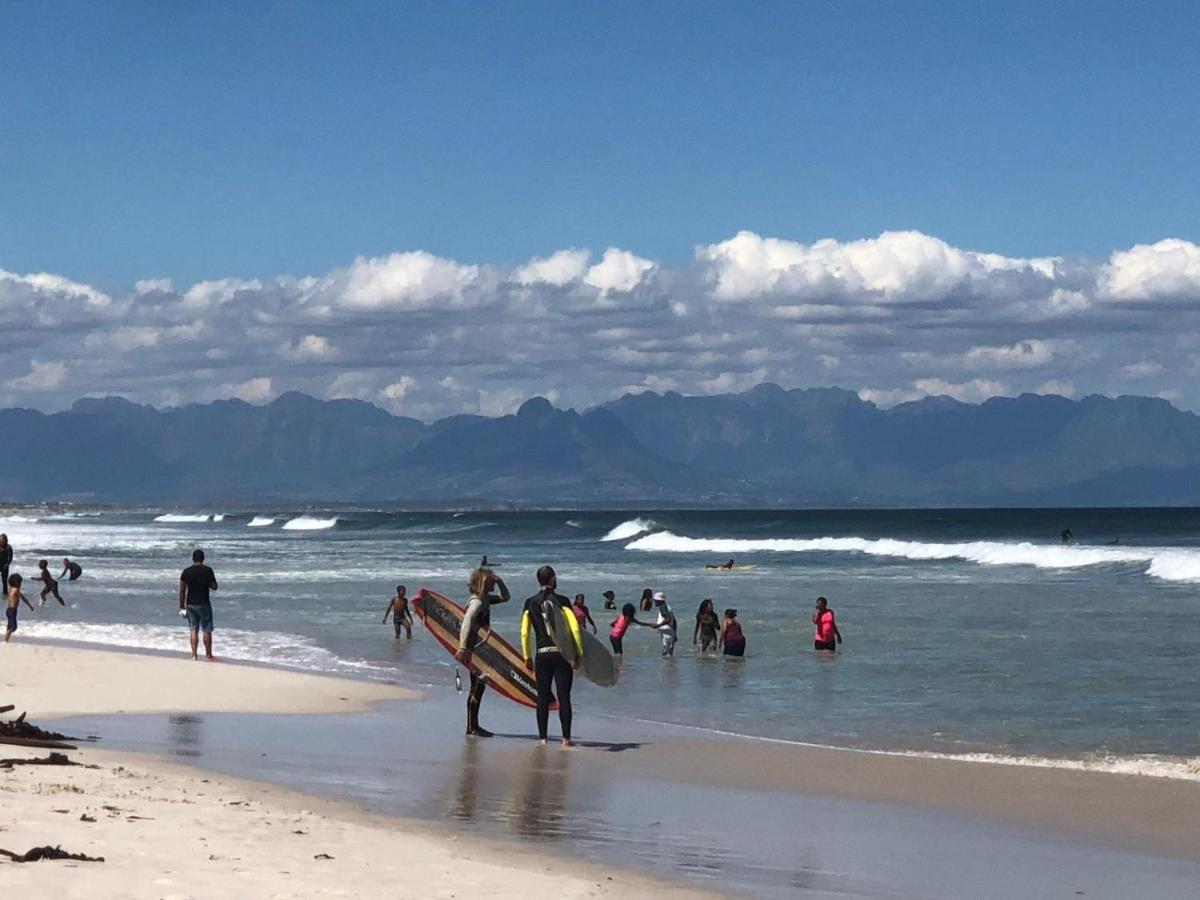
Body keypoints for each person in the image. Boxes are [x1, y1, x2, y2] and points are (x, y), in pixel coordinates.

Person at [520, 565, 583, 746]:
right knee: (564, 697)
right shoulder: (562, 601)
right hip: (562, 655)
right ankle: (566, 739)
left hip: (542, 654)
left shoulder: (529, 602)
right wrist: (578, 653)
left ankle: (543, 739)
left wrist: (527, 656)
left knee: (542, 698)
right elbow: (575, 629)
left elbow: (524, 632)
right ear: (552, 579)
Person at [455, 567, 510, 738]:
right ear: (484, 582)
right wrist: (463, 648)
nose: (493, 581)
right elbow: (467, 622)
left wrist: (500, 581)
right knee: (477, 687)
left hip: (479, 648)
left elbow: (506, 597)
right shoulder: (477, 602)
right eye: (491, 580)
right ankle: (472, 727)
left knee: (479, 687)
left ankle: (474, 725)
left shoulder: (484, 599)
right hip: (474, 649)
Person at [179, 548, 218, 661]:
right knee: (206, 629)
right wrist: (207, 582)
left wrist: (181, 605)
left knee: (193, 629)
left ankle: (194, 655)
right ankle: (208, 655)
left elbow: (182, 590)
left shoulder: (186, 571)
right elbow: (214, 587)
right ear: (203, 558)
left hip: (190, 603)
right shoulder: (208, 570)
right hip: (204, 603)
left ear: (193, 558)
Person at [4, 574, 33, 642]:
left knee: (10, 626)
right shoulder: (16, 589)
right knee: (12, 627)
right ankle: (5, 641)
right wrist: (30, 605)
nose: (20, 584)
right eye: (20, 583)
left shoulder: (10, 589)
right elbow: (23, 598)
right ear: (16, 583)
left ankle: (6, 640)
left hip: (9, 610)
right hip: (12, 610)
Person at [653, 591, 677, 657]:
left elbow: (668, 619)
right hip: (668, 632)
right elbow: (674, 621)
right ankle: (668, 665)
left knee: (667, 652)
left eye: (656, 600)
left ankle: (667, 666)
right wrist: (675, 633)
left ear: (659, 600)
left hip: (667, 631)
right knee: (668, 651)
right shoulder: (667, 607)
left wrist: (658, 625)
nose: (654, 602)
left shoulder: (663, 607)